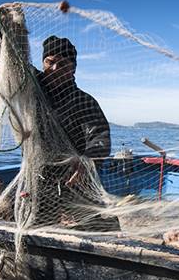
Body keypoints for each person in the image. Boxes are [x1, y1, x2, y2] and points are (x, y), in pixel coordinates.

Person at [34, 35, 118, 231]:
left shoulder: (84, 101)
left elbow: (100, 137)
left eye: (62, 64)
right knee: (40, 228)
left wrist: (87, 160)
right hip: (40, 176)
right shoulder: (31, 90)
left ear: (73, 69)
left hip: (76, 177)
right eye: (50, 62)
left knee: (102, 228)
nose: (55, 69)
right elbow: (10, 63)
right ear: (43, 62)